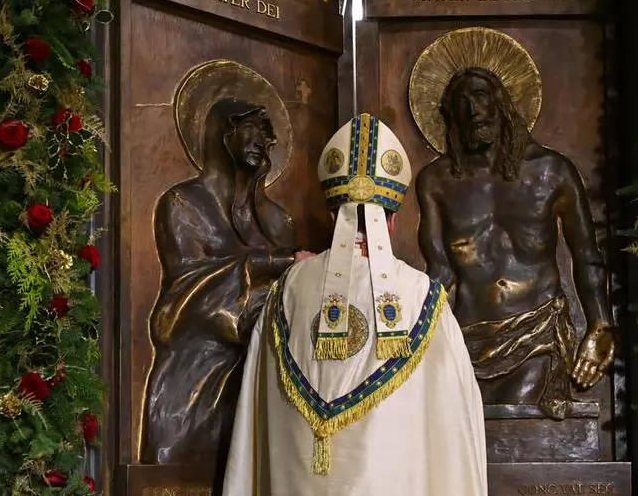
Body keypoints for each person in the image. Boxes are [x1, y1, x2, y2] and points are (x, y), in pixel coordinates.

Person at [222, 113, 487, 496]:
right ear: (392, 220)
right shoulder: (422, 296)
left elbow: (256, 414)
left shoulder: (288, 289)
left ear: (333, 216)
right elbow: (455, 425)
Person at [417, 67, 615, 418]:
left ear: (502, 104)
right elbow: (440, 272)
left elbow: (586, 256)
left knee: (517, 423)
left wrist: (600, 325)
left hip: (537, 332)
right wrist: (416, 341)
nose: (473, 110)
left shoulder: (552, 171)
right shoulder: (437, 181)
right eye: (461, 102)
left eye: (480, 97)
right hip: (465, 336)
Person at [142, 99, 310, 464]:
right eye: (253, 127)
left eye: (269, 132)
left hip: (263, 380)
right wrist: (279, 262)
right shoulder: (184, 204)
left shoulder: (278, 221)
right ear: (222, 131)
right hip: (195, 378)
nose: (266, 140)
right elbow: (188, 295)